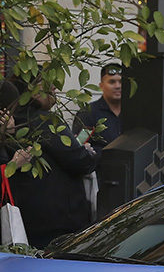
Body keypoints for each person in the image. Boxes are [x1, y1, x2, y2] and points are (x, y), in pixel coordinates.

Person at [6, 77, 98, 248]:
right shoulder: (45, 120)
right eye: (46, 83)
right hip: (57, 217)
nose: (54, 87)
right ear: (31, 90)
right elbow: (78, 160)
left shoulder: (13, 121)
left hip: (28, 214)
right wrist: (89, 154)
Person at [72, 63, 124, 152]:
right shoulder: (88, 113)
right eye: (112, 82)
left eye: (121, 82)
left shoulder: (134, 113)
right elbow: (79, 150)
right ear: (101, 86)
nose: (118, 86)